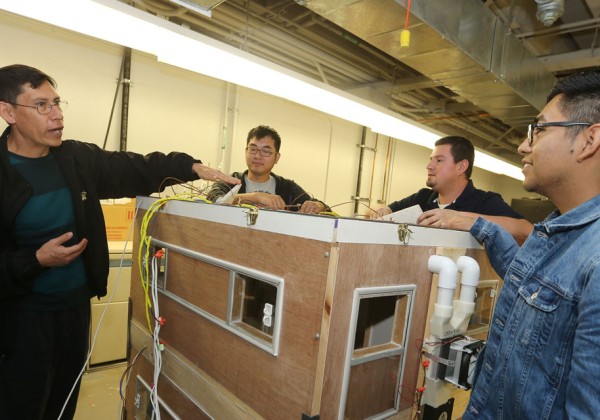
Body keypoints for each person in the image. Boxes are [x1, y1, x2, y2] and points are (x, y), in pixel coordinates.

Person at [0, 64, 239, 420]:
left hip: (74, 312)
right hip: (21, 323)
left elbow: (135, 167)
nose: (58, 115)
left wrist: (189, 166)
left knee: (62, 405)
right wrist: (36, 260)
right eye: (42, 106)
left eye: (58, 103)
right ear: (8, 112)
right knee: (20, 407)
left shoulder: (74, 159)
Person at [449, 70, 600, 418]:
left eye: (540, 128)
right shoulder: (558, 228)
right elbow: (531, 284)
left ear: (589, 140)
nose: (523, 144)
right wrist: (480, 225)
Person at [369, 135, 532, 244]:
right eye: (431, 160)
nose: (429, 166)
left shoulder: (484, 201)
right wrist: (381, 210)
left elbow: (526, 230)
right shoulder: (422, 198)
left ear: (461, 167)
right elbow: (385, 209)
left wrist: (458, 218)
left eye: (439, 160)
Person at [207, 125, 329, 214]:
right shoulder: (230, 181)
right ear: (246, 151)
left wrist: (317, 206)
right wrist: (256, 197)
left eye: (265, 151)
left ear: (277, 157)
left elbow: (326, 208)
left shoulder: (288, 188)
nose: (257, 156)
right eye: (253, 149)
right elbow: (215, 198)